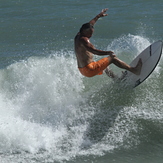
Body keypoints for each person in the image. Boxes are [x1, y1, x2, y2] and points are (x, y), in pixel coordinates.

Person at [74, 8, 142, 78]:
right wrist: (108, 53)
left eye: (92, 33)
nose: (91, 35)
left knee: (105, 64)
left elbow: (90, 24)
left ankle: (116, 79)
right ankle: (135, 70)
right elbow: (93, 51)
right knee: (112, 58)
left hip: (82, 70)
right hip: (89, 69)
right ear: (84, 32)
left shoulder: (78, 35)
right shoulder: (84, 40)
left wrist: (98, 16)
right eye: (89, 34)